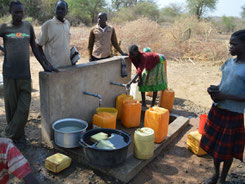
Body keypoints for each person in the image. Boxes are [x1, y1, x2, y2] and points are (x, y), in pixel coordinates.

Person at [0, 1, 56, 142]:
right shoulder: (5, 28)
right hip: (9, 75)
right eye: (16, 12)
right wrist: (3, 49)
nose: (19, 15)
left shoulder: (28, 27)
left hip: (25, 74)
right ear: (11, 12)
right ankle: (18, 138)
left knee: (24, 107)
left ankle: (7, 136)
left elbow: (35, 48)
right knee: (11, 109)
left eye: (21, 12)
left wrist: (45, 65)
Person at [200, 30, 245, 184]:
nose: (230, 47)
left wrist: (225, 96)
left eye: (234, 44)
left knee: (226, 151)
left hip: (233, 114)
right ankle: (215, 175)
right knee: (215, 148)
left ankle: (222, 179)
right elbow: (223, 84)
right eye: (229, 44)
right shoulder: (228, 62)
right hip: (218, 109)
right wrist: (214, 90)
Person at [37, 0, 71, 68]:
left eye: (62, 9)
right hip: (54, 68)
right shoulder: (48, 24)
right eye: (58, 8)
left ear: (66, 11)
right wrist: (46, 64)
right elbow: (38, 45)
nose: (60, 11)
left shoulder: (67, 24)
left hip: (68, 66)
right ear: (54, 10)